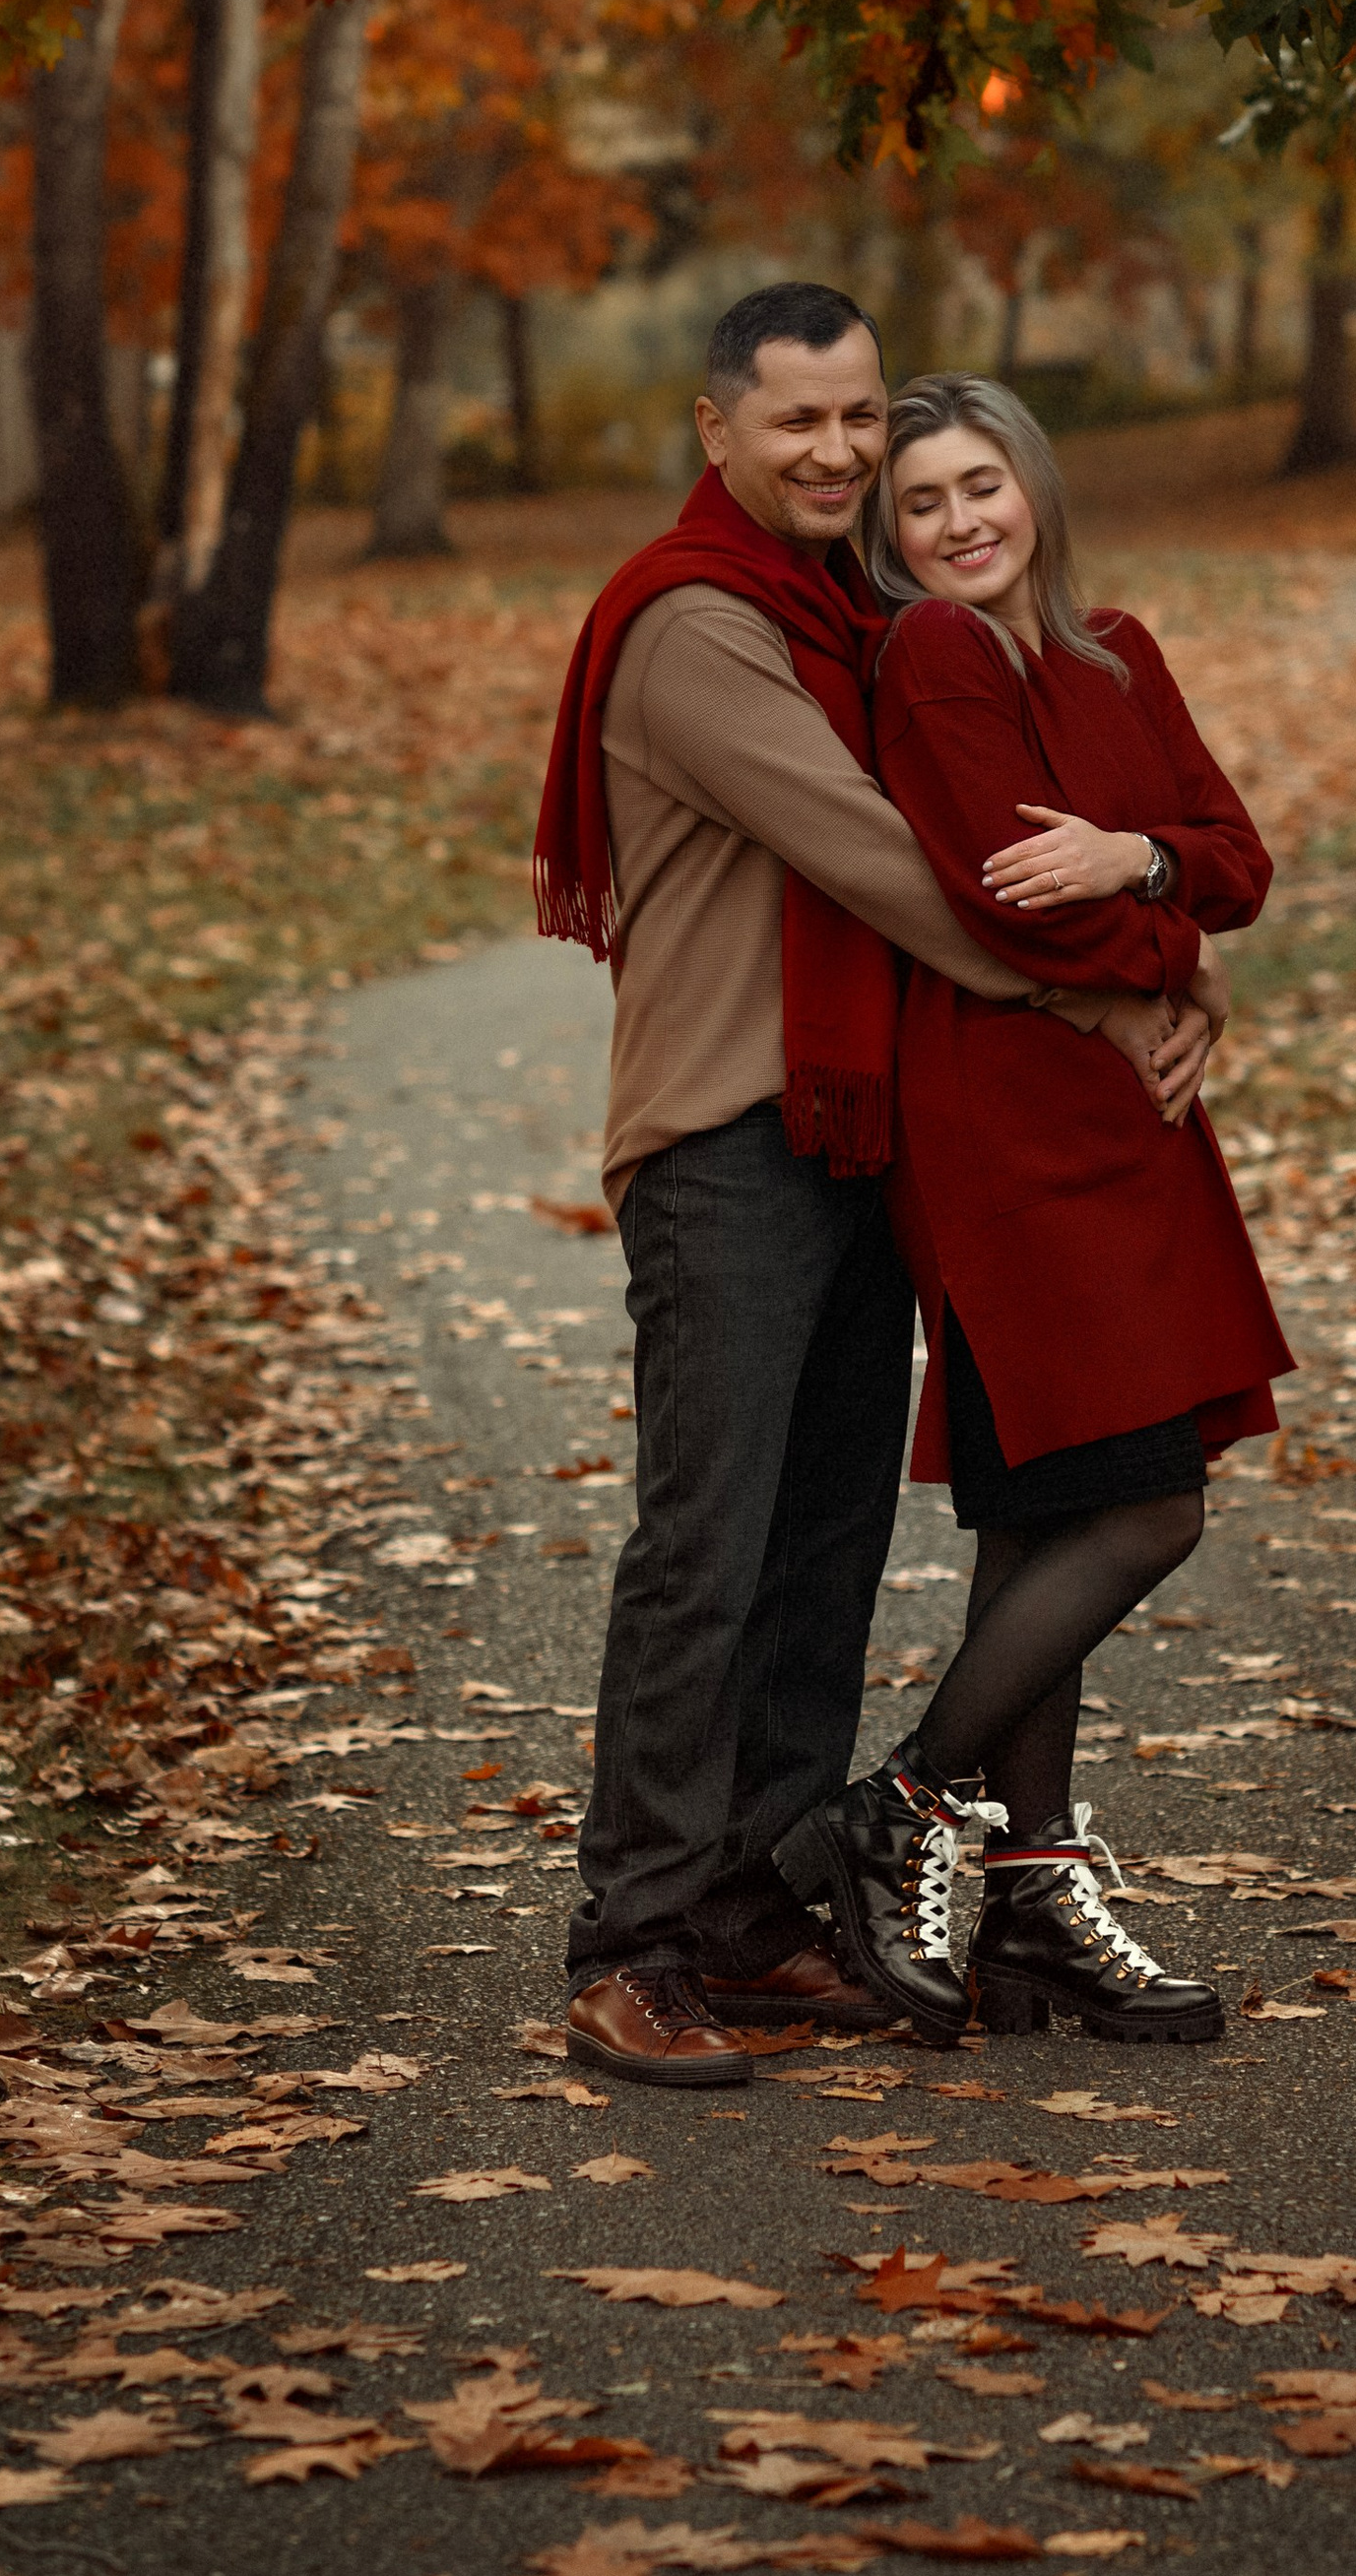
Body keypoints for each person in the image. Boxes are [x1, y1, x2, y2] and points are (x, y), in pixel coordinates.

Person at [531, 286, 1221, 2089]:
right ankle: (633, 1940)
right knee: (707, 1539)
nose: (837, 451)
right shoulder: (696, 626)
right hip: (723, 1133)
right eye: (798, 425)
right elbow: (901, 868)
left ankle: (757, 1906)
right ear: (716, 434)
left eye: (858, 418)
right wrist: (1116, 980)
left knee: (821, 1542)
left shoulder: (853, 612)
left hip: (858, 1128)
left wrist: (1157, 912)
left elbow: (1018, 815)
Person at [777, 372, 1293, 2048]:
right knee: (1149, 1512)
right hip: (1006, 1125)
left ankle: (1037, 1895)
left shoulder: (1114, 653)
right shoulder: (929, 657)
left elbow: (1234, 855)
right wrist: (1168, 957)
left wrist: (1145, 873)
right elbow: (1018, 910)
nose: (956, 524)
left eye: (979, 486)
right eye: (917, 503)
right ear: (892, 535)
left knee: (1045, 1517)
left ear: (1035, 488)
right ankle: (906, 1804)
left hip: (1124, 1123)